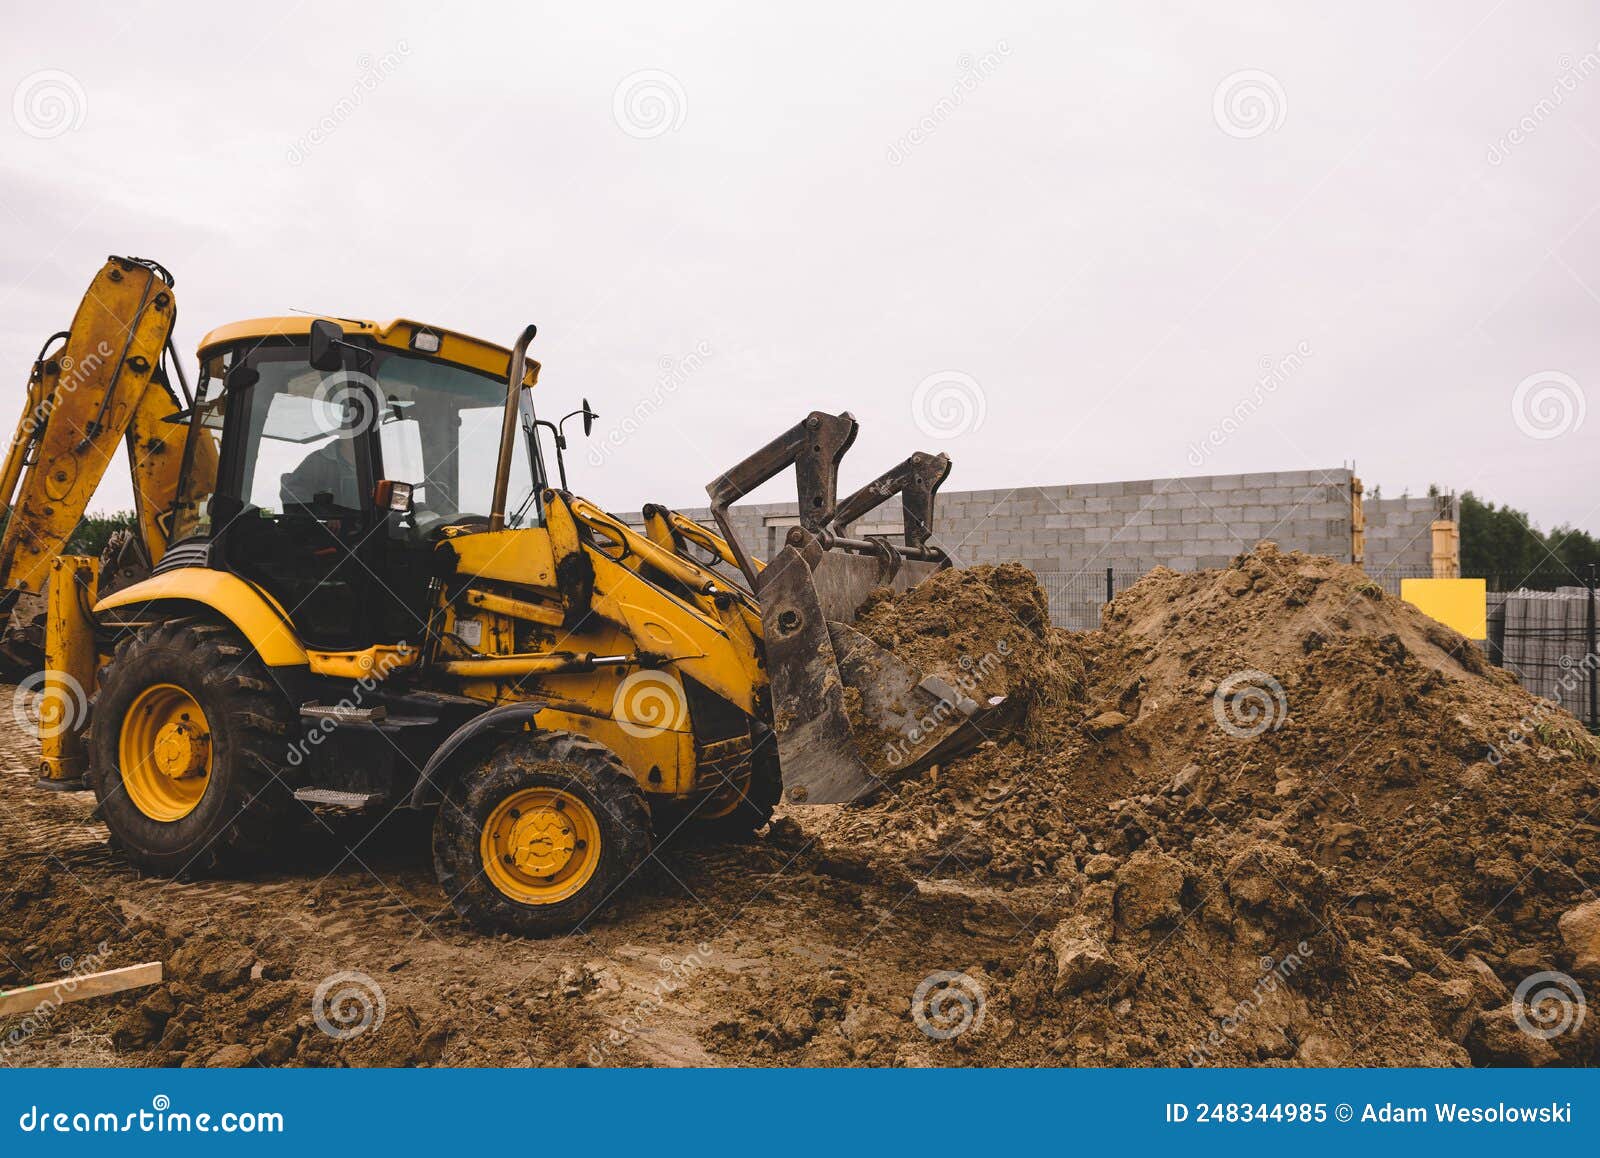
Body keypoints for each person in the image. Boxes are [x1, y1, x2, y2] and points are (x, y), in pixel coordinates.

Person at [280, 438, 360, 509]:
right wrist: (326, 511)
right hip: (337, 524)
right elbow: (291, 494)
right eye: (353, 432)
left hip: (367, 521)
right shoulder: (319, 461)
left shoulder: (371, 459)